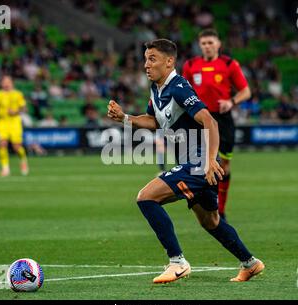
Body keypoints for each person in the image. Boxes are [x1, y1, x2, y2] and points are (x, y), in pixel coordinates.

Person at [107, 39, 264, 284]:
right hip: (193, 162)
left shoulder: (179, 87)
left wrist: (211, 160)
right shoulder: (157, 89)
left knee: (146, 198)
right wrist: (125, 117)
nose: (146, 65)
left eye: (152, 59)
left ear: (169, 62)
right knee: (210, 221)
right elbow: (154, 121)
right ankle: (250, 263)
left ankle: (177, 262)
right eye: (145, 59)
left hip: (199, 162)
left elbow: (209, 121)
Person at [182, 29, 251, 221]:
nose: (207, 46)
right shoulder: (190, 65)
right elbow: (183, 91)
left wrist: (231, 102)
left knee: (224, 166)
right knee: (198, 164)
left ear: (218, 44)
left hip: (223, 120)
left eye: (211, 42)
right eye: (204, 43)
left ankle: (221, 208)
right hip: (199, 119)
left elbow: (246, 91)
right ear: (200, 45)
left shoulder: (229, 64)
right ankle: (204, 206)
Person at [0, 75, 29, 177]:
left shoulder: (18, 94)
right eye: (4, 81)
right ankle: (5, 169)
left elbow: (25, 109)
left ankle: (23, 159)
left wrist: (16, 111)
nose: (6, 84)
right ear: (1, 83)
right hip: (2, 122)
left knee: (16, 147)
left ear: (12, 83)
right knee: (2, 144)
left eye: (8, 81)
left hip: (15, 122)